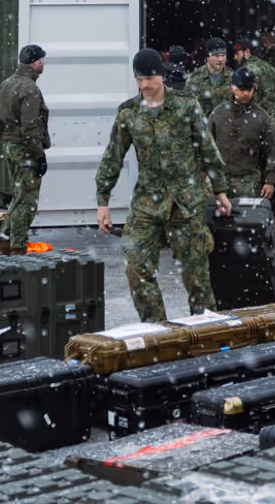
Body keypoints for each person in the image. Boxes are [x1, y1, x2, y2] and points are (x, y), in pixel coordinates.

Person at [95, 47, 232, 321]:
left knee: (196, 277)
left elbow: (208, 149)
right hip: (148, 204)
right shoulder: (129, 114)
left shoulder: (185, 105)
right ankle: (156, 330)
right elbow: (113, 157)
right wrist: (102, 201)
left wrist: (220, 191)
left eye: (149, 78)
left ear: (161, 75)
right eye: (139, 80)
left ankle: (206, 333)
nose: (144, 85)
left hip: (186, 202)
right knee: (136, 268)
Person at [0, 45, 50, 253]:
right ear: (36, 63)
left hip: (11, 146)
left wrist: (9, 139)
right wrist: (39, 156)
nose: (43, 64)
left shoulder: (6, 84)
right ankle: (17, 246)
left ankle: (4, 241)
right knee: (27, 201)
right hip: (26, 149)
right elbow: (31, 128)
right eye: (42, 60)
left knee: (18, 195)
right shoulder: (30, 89)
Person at [211, 67, 275, 198]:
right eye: (242, 89)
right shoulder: (218, 114)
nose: (245, 94)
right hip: (219, 183)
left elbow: (274, 150)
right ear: (232, 87)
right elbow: (205, 146)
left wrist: (269, 181)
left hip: (249, 182)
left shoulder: (262, 117)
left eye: (249, 90)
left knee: (248, 218)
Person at [186, 38, 234, 119]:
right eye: (217, 56)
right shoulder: (195, 78)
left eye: (223, 55)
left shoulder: (233, 76)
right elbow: (188, 108)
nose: (221, 59)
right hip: (203, 127)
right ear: (208, 56)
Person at [234, 40, 275, 111]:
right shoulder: (269, 67)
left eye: (237, 54)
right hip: (271, 113)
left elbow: (249, 97)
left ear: (247, 52)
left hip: (255, 115)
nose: (235, 58)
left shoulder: (246, 71)